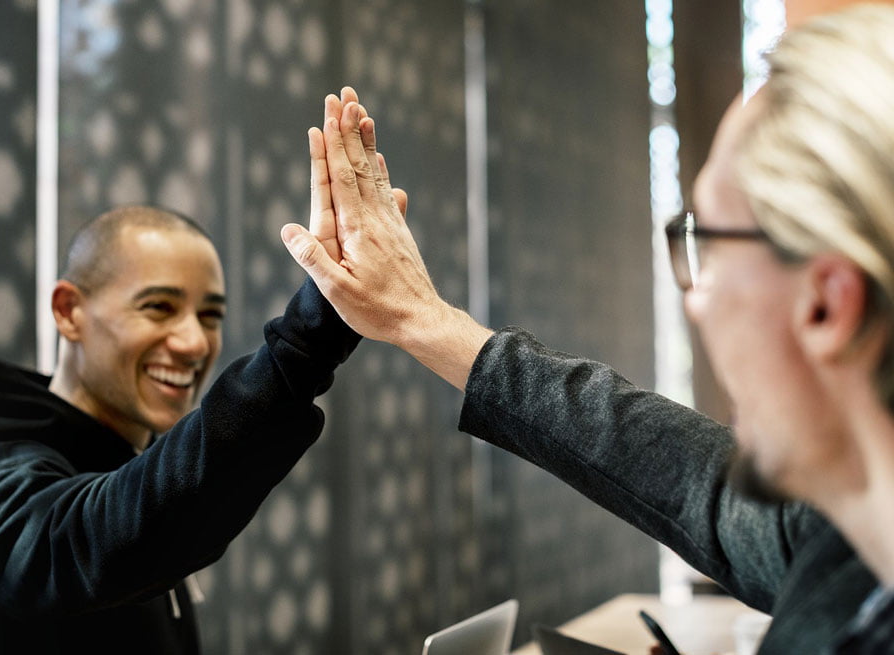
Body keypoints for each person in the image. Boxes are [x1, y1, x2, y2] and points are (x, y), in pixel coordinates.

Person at [280, 5, 894, 653]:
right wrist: (424, 321)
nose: (695, 301)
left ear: (826, 305)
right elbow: (687, 477)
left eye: (705, 245)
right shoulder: (850, 537)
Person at [0, 204, 360, 653]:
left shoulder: (126, 455)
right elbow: (92, 539)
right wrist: (305, 345)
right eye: (158, 307)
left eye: (209, 316)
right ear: (68, 311)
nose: (194, 343)